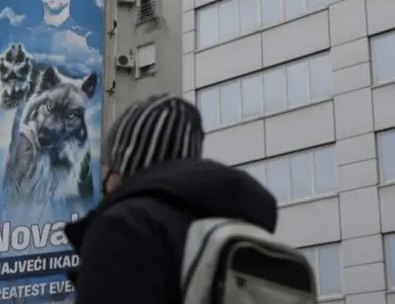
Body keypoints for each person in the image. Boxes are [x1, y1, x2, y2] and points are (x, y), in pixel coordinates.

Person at [64, 93, 278, 304]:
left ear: (125, 164)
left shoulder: (125, 226)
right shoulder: (231, 237)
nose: (103, 172)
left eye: (107, 161)